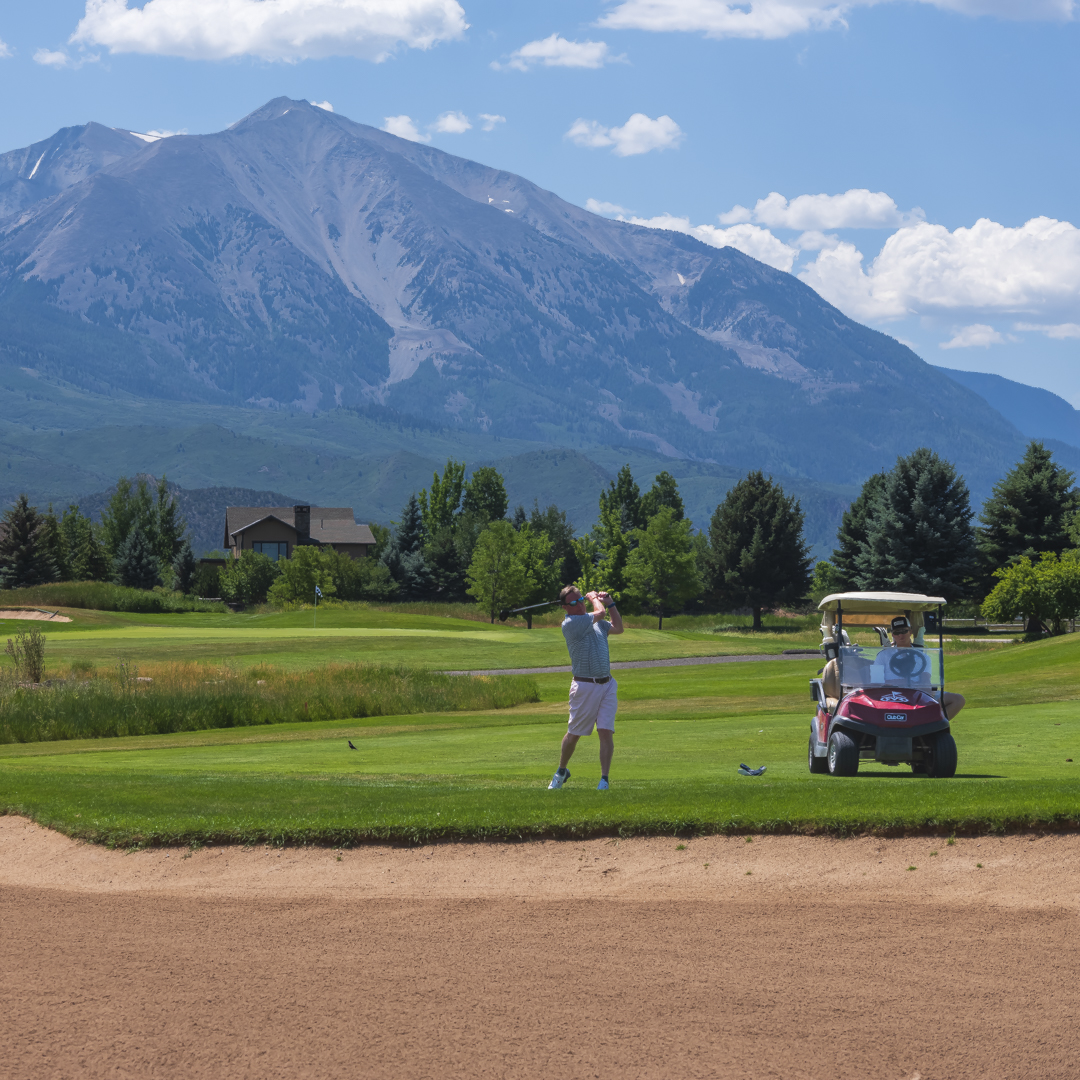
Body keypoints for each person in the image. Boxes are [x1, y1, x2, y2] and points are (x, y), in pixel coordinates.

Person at [548, 584, 624, 791]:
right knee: (574, 733)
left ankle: (604, 780)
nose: (579, 604)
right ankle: (561, 771)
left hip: (607, 684)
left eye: (580, 599)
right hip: (584, 685)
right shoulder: (571, 623)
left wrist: (611, 604)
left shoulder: (596, 622)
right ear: (565, 607)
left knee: (606, 732)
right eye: (573, 602)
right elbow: (599, 612)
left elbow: (618, 628)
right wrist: (594, 598)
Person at [821, 615, 965, 719]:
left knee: (957, 699)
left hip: (917, 693)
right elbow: (876, 682)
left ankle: (934, 726)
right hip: (889, 694)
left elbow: (925, 681)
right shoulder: (884, 655)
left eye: (904, 631)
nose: (901, 635)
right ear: (893, 635)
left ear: (910, 632)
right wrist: (897, 685)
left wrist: (925, 694)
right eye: (897, 633)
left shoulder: (922, 656)